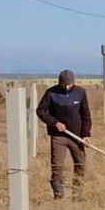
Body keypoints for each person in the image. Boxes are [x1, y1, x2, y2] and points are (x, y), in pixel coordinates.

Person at [35, 69, 91, 199]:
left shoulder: (80, 93)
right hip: (58, 136)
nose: (66, 87)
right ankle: (59, 196)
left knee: (80, 164)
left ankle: (78, 195)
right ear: (59, 82)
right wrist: (55, 123)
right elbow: (41, 111)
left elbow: (86, 116)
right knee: (57, 166)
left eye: (69, 84)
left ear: (73, 83)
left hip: (77, 137)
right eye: (64, 84)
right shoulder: (51, 93)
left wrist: (86, 134)